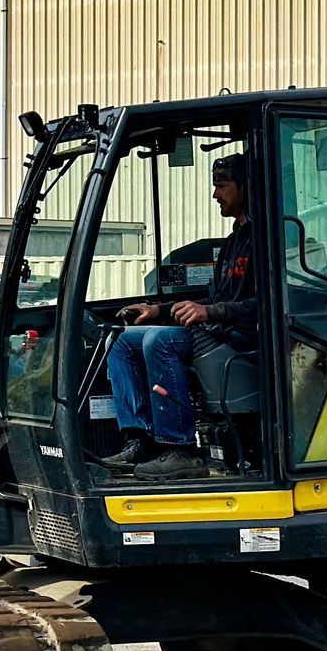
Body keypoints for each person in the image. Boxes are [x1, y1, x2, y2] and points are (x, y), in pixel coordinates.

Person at [101, 153, 257, 482]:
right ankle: (140, 439)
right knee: (124, 342)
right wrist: (158, 310)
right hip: (217, 329)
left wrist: (210, 312)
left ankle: (180, 448)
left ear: (247, 187)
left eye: (222, 186)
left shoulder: (267, 240)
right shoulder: (232, 243)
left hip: (243, 338)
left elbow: (267, 304)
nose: (216, 195)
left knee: (160, 341)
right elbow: (214, 298)